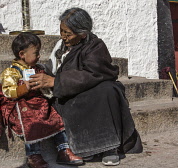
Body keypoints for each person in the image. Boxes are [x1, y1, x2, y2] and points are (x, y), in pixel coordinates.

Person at [29, 7, 143, 166]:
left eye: (68, 33)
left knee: (108, 90)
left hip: (92, 91)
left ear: (82, 33)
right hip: (69, 92)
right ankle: (89, 149)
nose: (63, 36)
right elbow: (52, 69)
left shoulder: (95, 46)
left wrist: (56, 81)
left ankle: (110, 148)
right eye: (61, 31)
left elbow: (94, 73)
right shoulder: (60, 47)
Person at [0, 32, 83, 168]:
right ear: (22, 54)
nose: (39, 56)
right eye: (36, 53)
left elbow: (45, 89)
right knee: (30, 122)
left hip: (38, 103)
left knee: (55, 116)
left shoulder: (37, 69)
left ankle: (63, 149)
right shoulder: (11, 72)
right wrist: (25, 87)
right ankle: (33, 155)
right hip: (20, 106)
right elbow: (8, 92)